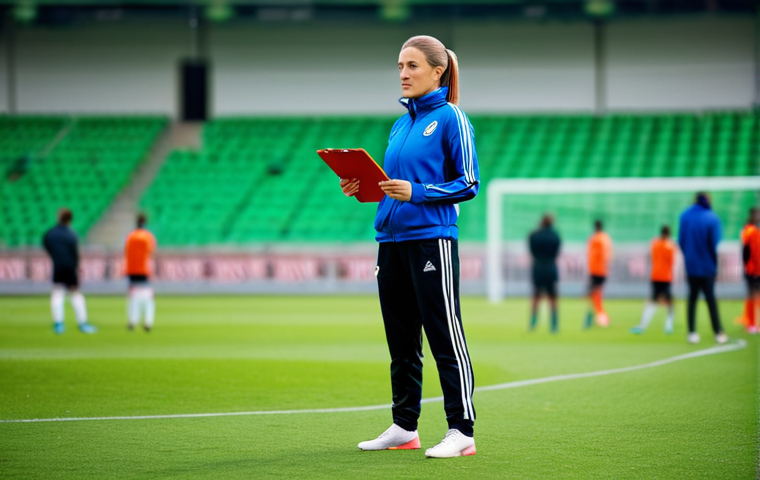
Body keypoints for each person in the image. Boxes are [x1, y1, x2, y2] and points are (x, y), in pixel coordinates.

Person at [341, 35, 479, 458]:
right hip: (391, 242)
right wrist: (363, 187)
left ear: (438, 71)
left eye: (413, 66)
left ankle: (462, 431)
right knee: (401, 343)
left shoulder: (452, 118)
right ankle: (405, 426)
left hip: (431, 242)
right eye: (400, 66)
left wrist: (416, 191)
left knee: (444, 336)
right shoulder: (400, 124)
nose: (403, 74)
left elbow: (469, 182)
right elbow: (392, 189)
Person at [678, 192, 727, 344]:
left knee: (692, 298)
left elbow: (681, 241)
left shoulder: (685, 216)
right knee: (710, 298)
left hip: (691, 265)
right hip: (707, 266)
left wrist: (689, 257)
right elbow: (714, 244)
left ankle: (691, 332)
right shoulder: (712, 217)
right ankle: (718, 332)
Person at [42, 208, 96, 334]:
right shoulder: (71, 234)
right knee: (75, 293)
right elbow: (76, 253)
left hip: (58, 267)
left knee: (57, 294)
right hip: (70, 267)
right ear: (70, 219)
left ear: (59, 217)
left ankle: (58, 324)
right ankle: (83, 323)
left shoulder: (51, 233)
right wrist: (77, 266)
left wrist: (55, 256)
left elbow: (46, 244)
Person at [630, 225, 677, 335]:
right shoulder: (670, 246)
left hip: (655, 275)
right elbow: (672, 262)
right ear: (669, 234)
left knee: (652, 300)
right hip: (666, 276)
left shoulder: (654, 243)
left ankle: (642, 325)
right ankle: (668, 325)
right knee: (669, 302)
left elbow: (650, 256)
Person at [528, 214, 561, 333]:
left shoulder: (534, 235)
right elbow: (557, 251)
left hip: (538, 267)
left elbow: (531, 250)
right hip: (551, 267)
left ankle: (532, 323)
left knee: (536, 296)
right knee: (553, 297)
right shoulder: (555, 236)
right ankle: (554, 324)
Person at [124, 213, 157, 332]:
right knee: (148, 296)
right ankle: (148, 322)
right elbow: (151, 253)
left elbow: (126, 253)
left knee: (133, 295)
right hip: (144, 269)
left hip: (132, 269)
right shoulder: (148, 236)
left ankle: (133, 321)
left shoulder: (130, 236)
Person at [584, 220, 613, 328]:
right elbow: (608, 254)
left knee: (594, 293)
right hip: (603, 270)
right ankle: (597, 316)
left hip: (595, 270)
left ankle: (599, 317)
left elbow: (592, 254)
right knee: (596, 293)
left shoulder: (595, 239)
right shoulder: (606, 238)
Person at [737, 207, 760, 334]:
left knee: (754, 294)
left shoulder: (753, 230)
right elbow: (746, 250)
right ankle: (751, 323)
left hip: (755, 268)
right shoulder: (750, 230)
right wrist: (749, 267)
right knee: (752, 294)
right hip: (752, 269)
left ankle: (752, 322)